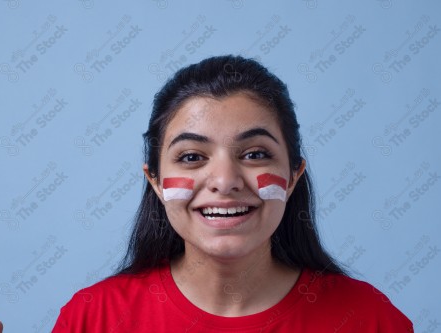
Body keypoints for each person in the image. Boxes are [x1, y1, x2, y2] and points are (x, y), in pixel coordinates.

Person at [51, 55, 414, 332]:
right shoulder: (93, 318)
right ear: (157, 183)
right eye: (192, 156)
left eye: (255, 154)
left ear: (292, 176)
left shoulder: (370, 319)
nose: (225, 181)